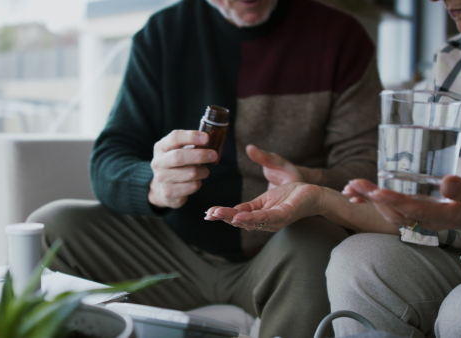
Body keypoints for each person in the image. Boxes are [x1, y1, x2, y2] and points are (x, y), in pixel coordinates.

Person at [27, 0, 383, 337]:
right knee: (50, 227)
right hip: (171, 250)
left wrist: (311, 184)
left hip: (281, 251)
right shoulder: (163, 34)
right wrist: (153, 185)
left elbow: (368, 168)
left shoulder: (341, 37)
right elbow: (108, 160)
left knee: (316, 245)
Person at [206, 0, 461, 336]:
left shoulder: (336, 35)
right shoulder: (455, 59)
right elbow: (430, 219)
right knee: (357, 259)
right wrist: (319, 198)